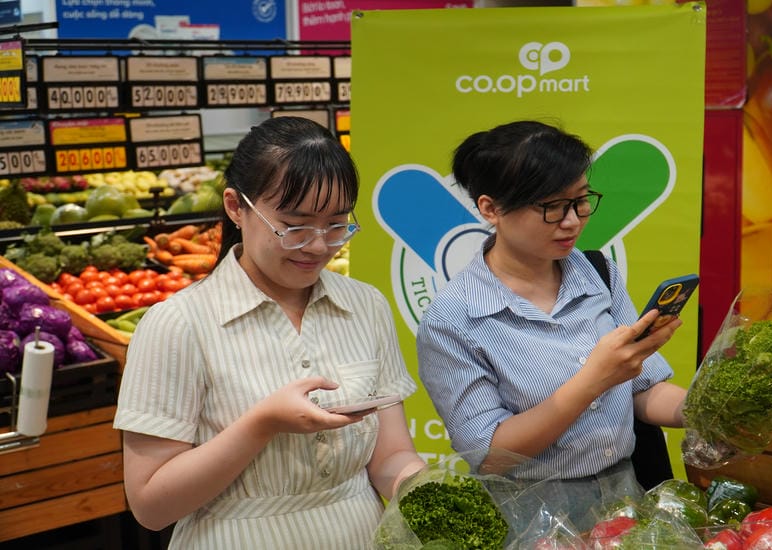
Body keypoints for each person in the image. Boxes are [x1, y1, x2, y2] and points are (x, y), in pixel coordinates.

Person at [114, 116, 424, 549]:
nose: (318, 246)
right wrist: (261, 424)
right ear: (236, 207)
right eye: (294, 226)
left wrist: (430, 499)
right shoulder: (178, 324)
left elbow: (391, 457)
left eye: (337, 225)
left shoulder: (366, 305)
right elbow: (150, 505)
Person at [415, 119, 688, 531]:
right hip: (531, 516)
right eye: (551, 207)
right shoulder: (453, 317)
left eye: (581, 201)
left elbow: (643, 391)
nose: (572, 221)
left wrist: (710, 410)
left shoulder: (598, 272)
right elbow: (491, 455)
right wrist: (593, 379)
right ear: (490, 209)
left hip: (625, 496)